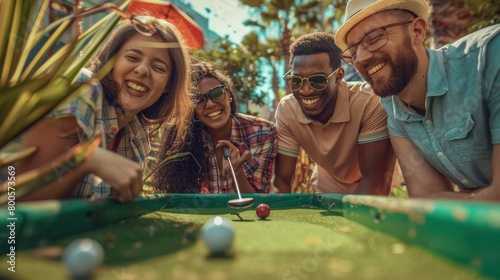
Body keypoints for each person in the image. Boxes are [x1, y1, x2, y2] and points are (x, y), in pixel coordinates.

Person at [12, 16, 193, 202]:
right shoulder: (81, 90)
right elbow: (16, 198)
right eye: (132, 57)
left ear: (168, 86)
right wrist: (87, 160)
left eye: (158, 67)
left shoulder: (138, 135)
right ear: (111, 62)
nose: (142, 70)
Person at [334, 0, 499, 200]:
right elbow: (424, 197)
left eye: (374, 37)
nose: (360, 58)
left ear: (418, 31)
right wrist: (484, 198)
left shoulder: (490, 57)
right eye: (353, 51)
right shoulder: (394, 111)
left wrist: (470, 199)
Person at [274, 32, 395, 194]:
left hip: (375, 182)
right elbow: (282, 180)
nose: (305, 90)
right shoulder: (287, 110)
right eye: (296, 81)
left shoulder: (368, 102)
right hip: (328, 184)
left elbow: (374, 179)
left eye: (317, 80)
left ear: (338, 77)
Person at [153, 61, 278, 194]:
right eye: (199, 99)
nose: (211, 104)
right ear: (192, 109)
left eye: (216, 93)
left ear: (229, 95)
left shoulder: (262, 132)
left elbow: (258, 202)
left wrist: (237, 172)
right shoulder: (183, 140)